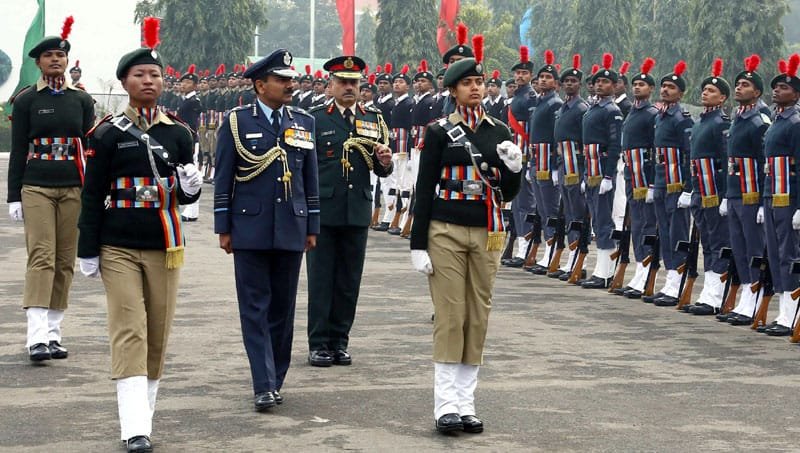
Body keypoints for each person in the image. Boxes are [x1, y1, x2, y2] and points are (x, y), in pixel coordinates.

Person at [77, 17, 202, 452]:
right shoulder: (109, 133)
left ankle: (143, 417)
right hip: (118, 244)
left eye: (155, 75)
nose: (148, 80)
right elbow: (92, 195)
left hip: (164, 244)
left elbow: (185, 198)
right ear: (125, 82)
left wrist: (191, 190)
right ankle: (134, 427)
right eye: (139, 75)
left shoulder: (180, 133)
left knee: (157, 333)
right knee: (128, 328)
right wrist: (86, 248)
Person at [410, 35, 523, 434]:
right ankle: (445, 405)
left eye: (480, 81)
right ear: (454, 90)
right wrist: (417, 242)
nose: (476, 87)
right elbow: (424, 188)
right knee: (451, 316)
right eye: (467, 83)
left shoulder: (498, 131)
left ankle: (467, 401)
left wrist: (514, 168)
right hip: (445, 230)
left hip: (488, 231)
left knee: (478, 317)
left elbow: (508, 194)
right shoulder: (440, 131)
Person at [214, 49, 319, 411]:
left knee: (283, 309)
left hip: (292, 225)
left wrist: (312, 225)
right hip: (249, 227)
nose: (291, 84)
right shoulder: (236, 122)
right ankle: (263, 382)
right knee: (254, 307)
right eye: (282, 79)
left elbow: (310, 178)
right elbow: (225, 175)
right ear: (260, 85)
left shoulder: (304, 121)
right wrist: (223, 226)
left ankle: (277, 378)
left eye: (291, 79)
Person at [6, 16, 94, 362]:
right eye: (49, 55)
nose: (56, 59)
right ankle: (36, 337)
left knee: (63, 260)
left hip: (73, 185)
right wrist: (14, 195)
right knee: (41, 256)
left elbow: (90, 149)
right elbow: (17, 150)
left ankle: (55, 333)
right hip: (37, 185)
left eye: (60, 54)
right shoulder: (27, 100)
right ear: (38, 63)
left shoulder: (82, 101)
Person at [306, 55, 393, 367]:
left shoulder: (372, 119)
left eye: (353, 82)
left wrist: (385, 162)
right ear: (331, 85)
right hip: (324, 212)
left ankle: (340, 341)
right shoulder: (315, 118)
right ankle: (318, 343)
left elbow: (382, 166)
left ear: (361, 86)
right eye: (342, 82)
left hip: (356, 210)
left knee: (348, 280)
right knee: (320, 279)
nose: (348, 87)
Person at [716, 55, 772, 325]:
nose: (739, 87)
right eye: (737, 84)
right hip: (736, 192)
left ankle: (755, 296)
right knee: (738, 247)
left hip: (752, 193)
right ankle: (746, 298)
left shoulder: (759, 121)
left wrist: (763, 201)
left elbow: (765, 163)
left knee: (753, 248)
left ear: (757, 92)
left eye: (745, 85)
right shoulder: (738, 119)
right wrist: (728, 195)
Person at [643, 61, 694, 306]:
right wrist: (653, 184)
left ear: (681, 93)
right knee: (664, 231)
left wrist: (688, 188)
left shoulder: (681, 118)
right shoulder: (661, 116)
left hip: (676, 185)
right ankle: (671, 278)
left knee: (677, 233)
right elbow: (656, 154)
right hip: (662, 183)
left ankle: (679, 281)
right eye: (663, 86)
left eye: (671, 87)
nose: (665, 90)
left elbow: (688, 155)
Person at [684, 59, 731, 315]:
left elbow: (725, 161)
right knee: (706, 242)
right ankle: (710, 291)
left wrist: (724, 195)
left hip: (715, 191)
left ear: (722, 98)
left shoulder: (721, 123)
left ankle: (716, 295)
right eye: (704, 89)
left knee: (717, 240)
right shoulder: (700, 122)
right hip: (701, 190)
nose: (705, 93)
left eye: (711, 91)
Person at [757, 53, 800, 336]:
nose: (777, 91)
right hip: (773, 196)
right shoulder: (776, 120)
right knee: (774, 254)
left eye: (783, 88)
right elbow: (767, 166)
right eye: (775, 87)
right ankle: (784, 312)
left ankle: (792, 315)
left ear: (796, 94)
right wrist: (763, 200)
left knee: (789, 253)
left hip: (790, 198)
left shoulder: (796, 123)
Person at [578, 53, 624, 289]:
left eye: (605, 82)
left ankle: (605, 271)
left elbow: (615, 145)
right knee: (597, 219)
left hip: (604, 171)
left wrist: (608, 176)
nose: (599, 84)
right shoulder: (592, 109)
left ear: (614, 86)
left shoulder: (612, 110)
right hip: (592, 170)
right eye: (597, 81)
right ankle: (601, 267)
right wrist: (587, 175)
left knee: (604, 221)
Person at [616, 58, 659, 299]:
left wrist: (652, 183)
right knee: (636, 224)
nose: (637, 87)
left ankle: (648, 271)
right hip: (632, 173)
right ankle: (640, 268)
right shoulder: (633, 111)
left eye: (642, 84)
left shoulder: (651, 114)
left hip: (645, 175)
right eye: (635, 84)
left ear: (650, 89)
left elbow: (655, 150)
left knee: (646, 224)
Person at [550, 55, 589, 281]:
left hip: (576, 164)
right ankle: (572, 253)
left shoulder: (581, 108)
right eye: (566, 81)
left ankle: (579, 259)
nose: (569, 84)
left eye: (573, 81)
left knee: (577, 212)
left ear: (579, 84)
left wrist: (585, 174)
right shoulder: (564, 107)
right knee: (567, 211)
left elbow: (583, 142)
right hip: (564, 163)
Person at [524, 50, 563, 273]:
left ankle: (553, 250)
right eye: (541, 77)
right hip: (537, 159)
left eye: (548, 77)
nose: (543, 80)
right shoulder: (539, 102)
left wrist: (556, 165)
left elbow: (555, 136)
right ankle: (548, 250)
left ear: (555, 84)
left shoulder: (554, 103)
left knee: (550, 208)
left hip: (548, 161)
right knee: (541, 206)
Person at [177, 65, 203, 222]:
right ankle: (190, 209)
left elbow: (191, 126)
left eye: (187, 83)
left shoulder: (193, 101)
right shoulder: (186, 100)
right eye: (182, 83)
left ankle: (192, 210)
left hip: (190, 141)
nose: (183, 85)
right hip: (185, 141)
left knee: (192, 175)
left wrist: (188, 142)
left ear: (194, 85)